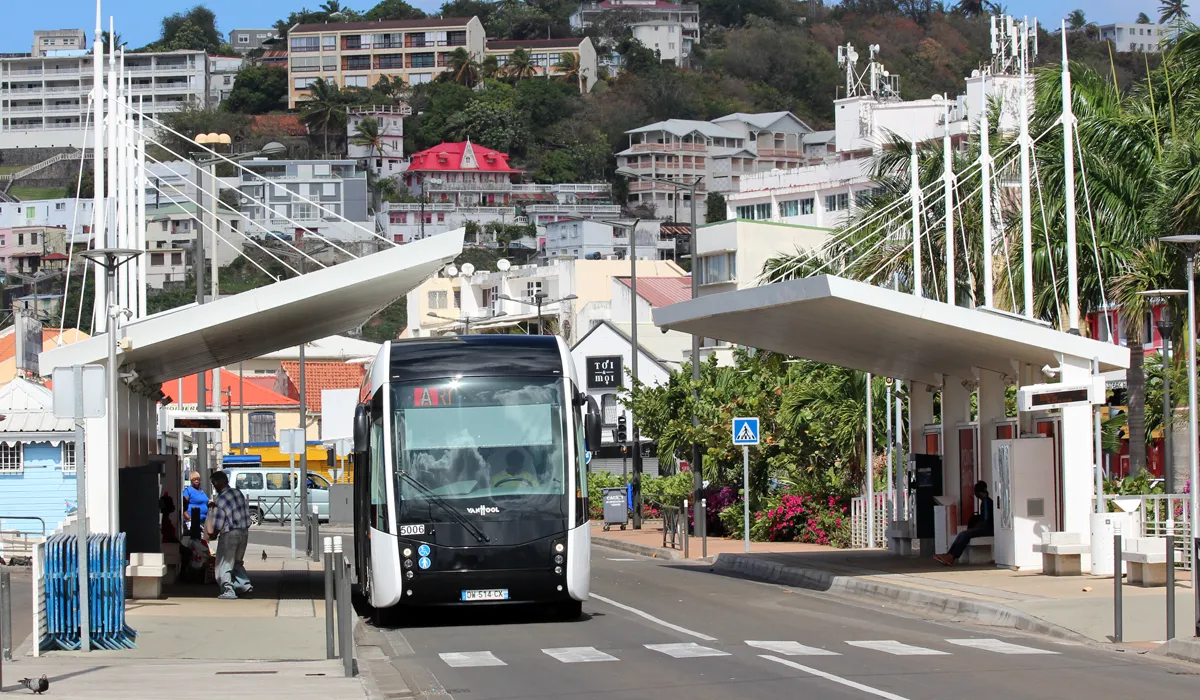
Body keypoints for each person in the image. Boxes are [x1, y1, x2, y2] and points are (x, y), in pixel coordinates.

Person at [206, 470, 252, 599]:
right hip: (244, 532)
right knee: (237, 562)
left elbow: (219, 522)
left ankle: (228, 590)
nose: (214, 486)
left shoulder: (220, 499)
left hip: (230, 534)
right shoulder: (238, 492)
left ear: (217, 483)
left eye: (213, 484)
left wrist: (213, 534)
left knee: (224, 562)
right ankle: (244, 585)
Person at [934, 481, 994, 566]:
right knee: (962, 534)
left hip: (988, 529)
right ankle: (949, 555)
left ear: (979, 492)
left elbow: (986, 520)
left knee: (965, 534)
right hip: (985, 527)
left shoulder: (986, 502)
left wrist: (976, 528)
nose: (975, 494)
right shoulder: (985, 502)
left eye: (975, 492)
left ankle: (952, 557)